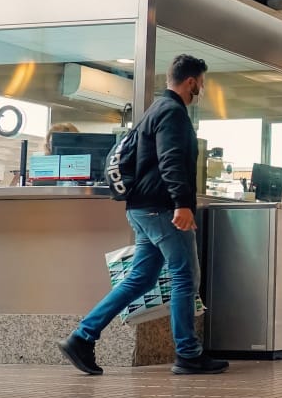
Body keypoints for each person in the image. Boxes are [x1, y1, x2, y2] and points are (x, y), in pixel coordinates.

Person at [57, 55, 226, 377]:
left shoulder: (154, 111)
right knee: (184, 276)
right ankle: (188, 354)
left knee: (142, 278)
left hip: (141, 208)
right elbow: (171, 159)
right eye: (201, 83)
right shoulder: (172, 113)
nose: (200, 90)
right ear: (192, 82)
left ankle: (82, 337)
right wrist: (182, 204)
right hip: (161, 208)